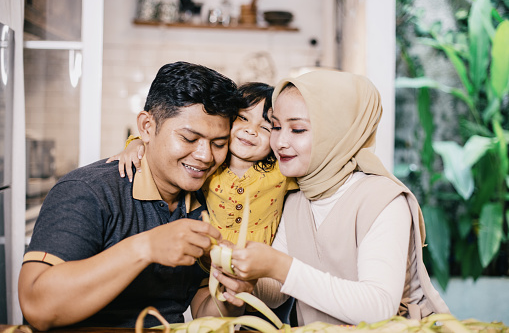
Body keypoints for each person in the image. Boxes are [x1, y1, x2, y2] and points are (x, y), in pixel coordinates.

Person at [18, 61, 254, 330]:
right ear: (146, 127)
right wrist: (147, 247)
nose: (205, 156)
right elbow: (37, 306)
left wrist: (231, 297)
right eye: (189, 139)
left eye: (219, 143)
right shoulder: (88, 191)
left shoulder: (206, 202)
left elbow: (202, 310)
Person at [221, 70, 450, 326]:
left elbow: (380, 307)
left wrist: (280, 266)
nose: (280, 141)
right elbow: (277, 289)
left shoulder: (383, 199)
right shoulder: (297, 198)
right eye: (275, 126)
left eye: (297, 129)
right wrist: (248, 281)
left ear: (337, 133)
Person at [107, 82, 299, 323]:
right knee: (215, 321)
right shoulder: (210, 164)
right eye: (242, 118)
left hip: (261, 274)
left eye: (265, 126)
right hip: (209, 266)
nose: (251, 131)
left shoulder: (281, 172)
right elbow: (158, 143)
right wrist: (135, 144)